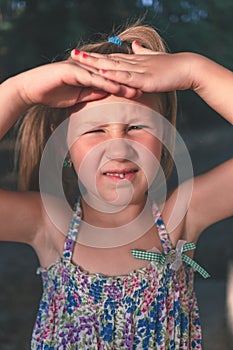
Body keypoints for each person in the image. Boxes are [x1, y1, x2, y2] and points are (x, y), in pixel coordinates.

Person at [0, 23, 232, 349]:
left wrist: (196, 71)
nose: (119, 148)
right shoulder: (48, 223)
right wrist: (18, 92)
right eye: (94, 130)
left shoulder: (182, 216)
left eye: (137, 126)